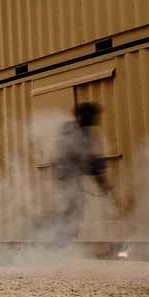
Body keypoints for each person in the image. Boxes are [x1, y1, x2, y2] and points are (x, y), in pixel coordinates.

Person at [50, 102, 106, 249]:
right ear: (85, 116)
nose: (97, 119)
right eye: (94, 116)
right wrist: (101, 180)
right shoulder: (76, 134)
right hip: (68, 181)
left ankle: (52, 246)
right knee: (72, 217)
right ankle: (51, 249)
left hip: (70, 180)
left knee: (71, 216)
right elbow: (86, 160)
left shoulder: (76, 131)